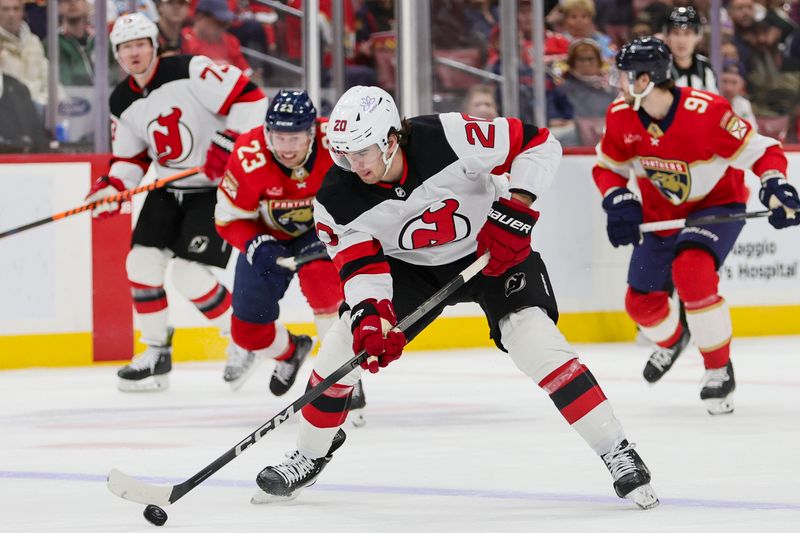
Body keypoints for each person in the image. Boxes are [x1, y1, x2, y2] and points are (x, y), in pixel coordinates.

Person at [250, 85, 659, 511]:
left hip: (493, 250)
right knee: (341, 346)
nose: (353, 164)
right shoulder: (336, 198)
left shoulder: (450, 135)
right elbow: (359, 268)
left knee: (536, 341)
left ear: (391, 139)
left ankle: (617, 449)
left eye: (363, 151)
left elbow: (538, 144)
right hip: (409, 270)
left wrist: (516, 211)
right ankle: (309, 454)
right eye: (344, 153)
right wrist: (371, 319)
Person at [593, 37, 799, 415]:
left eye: (624, 75)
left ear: (645, 80)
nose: (618, 82)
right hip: (661, 215)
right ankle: (673, 340)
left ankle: (719, 369)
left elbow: (763, 150)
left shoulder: (707, 112)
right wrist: (618, 200)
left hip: (716, 206)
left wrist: (775, 184)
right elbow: (608, 168)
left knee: (692, 271)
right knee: (641, 304)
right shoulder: (620, 115)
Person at [84, 12, 267, 391]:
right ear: (117, 55)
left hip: (214, 189)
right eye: (125, 47)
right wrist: (111, 187)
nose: (134, 53)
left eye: (140, 44)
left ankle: (242, 342)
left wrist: (228, 142)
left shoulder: (191, 69)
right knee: (141, 263)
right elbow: (131, 159)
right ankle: (156, 352)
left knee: (188, 273)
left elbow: (249, 95)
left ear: (154, 46)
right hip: (168, 188)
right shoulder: (121, 99)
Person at [214, 89, 365, 417]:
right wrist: (256, 244)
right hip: (266, 236)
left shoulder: (337, 144)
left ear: (312, 131)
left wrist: (338, 230)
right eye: (279, 136)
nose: (286, 147)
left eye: (294, 137)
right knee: (247, 330)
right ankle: (290, 351)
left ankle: (342, 375)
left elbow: (365, 195)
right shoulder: (248, 154)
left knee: (321, 285)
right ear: (267, 132)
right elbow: (227, 219)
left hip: (321, 231)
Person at [0, 0, 48, 107]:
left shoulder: (34, 41)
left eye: (16, 9)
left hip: (39, 106)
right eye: (5, 9)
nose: (11, 14)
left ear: (23, 12)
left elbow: (48, 78)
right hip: (7, 111)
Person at [665, 6, 717, 92]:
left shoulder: (705, 67)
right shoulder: (660, 68)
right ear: (667, 36)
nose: (681, 41)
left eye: (687, 33)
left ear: (698, 36)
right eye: (675, 33)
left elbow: (714, 101)